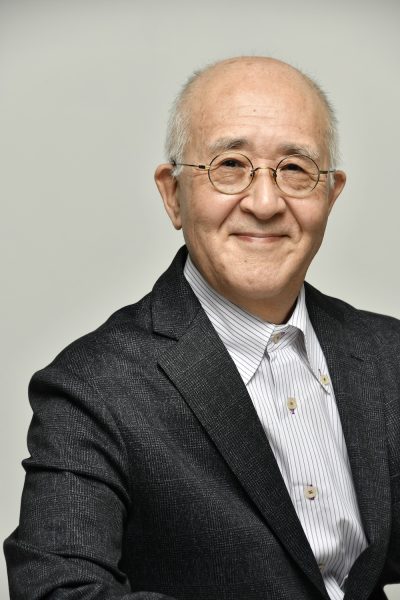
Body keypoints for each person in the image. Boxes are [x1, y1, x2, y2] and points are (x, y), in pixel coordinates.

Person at [4, 56, 400, 600]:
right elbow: (56, 590)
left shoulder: (386, 354)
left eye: (295, 168)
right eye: (229, 165)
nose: (265, 203)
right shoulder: (93, 387)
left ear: (330, 195)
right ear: (173, 194)